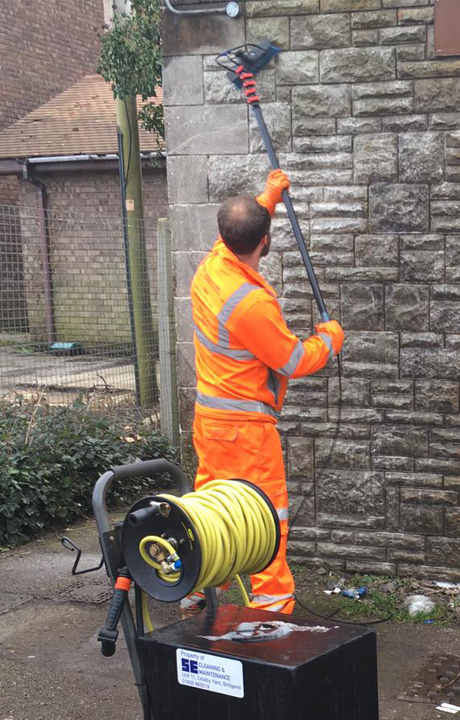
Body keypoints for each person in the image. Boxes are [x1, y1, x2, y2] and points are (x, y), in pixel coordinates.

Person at [188, 168, 344, 615]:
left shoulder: (212, 266)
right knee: (264, 515)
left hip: (211, 422)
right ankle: (273, 606)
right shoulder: (250, 304)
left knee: (211, 507)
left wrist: (269, 196)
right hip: (247, 430)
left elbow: (244, 227)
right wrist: (330, 338)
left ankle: (194, 586)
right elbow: (292, 360)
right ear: (265, 242)